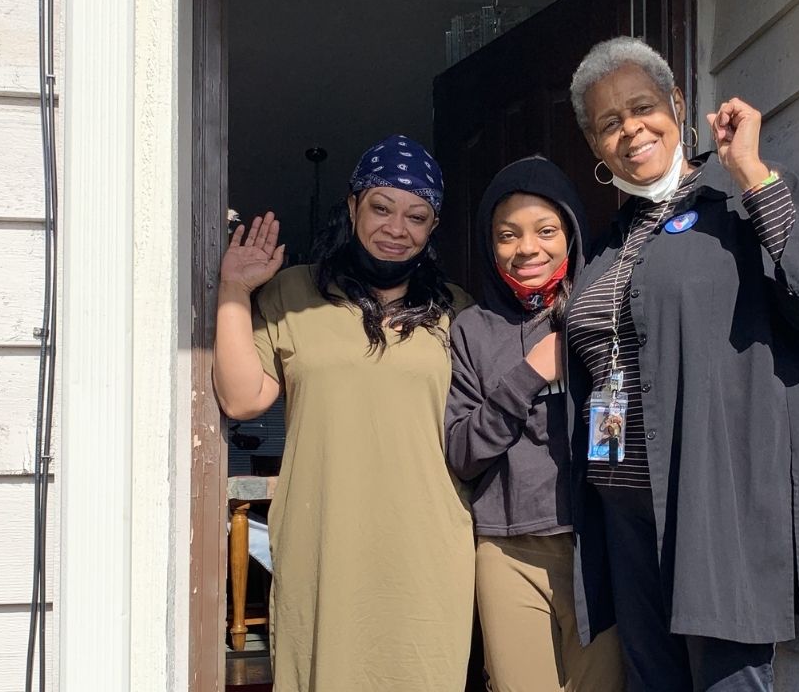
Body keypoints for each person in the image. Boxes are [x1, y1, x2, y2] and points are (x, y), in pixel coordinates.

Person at [564, 37, 799, 692]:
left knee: (728, 681)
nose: (629, 129)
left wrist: (751, 172)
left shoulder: (735, 202)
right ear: (595, 147)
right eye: (608, 123)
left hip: (713, 499)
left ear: (677, 104)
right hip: (625, 509)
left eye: (641, 107)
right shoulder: (608, 247)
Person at [213, 135, 475, 692]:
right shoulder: (292, 292)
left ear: (433, 227)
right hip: (323, 538)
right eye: (381, 207)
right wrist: (234, 289)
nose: (396, 227)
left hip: (429, 544)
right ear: (353, 206)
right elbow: (241, 398)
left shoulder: (458, 310)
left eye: (416, 215)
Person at [446, 156, 626, 692]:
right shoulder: (472, 330)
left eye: (546, 230)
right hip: (507, 549)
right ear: (489, 243)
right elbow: (462, 451)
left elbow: (623, 430)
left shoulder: (604, 311)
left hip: (597, 544)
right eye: (509, 235)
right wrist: (528, 375)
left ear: (570, 233)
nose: (528, 248)